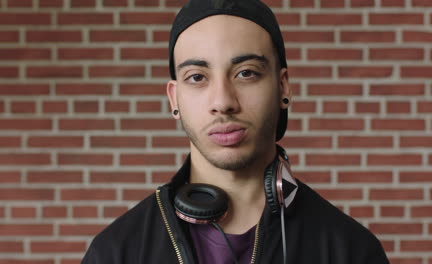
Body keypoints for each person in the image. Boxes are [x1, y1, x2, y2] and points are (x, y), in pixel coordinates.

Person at [82, 0, 390, 263]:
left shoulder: (350, 251)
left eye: (246, 73)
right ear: (174, 99)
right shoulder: (114, 253)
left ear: (283, 86)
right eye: (197, 77)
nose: (223, 102)